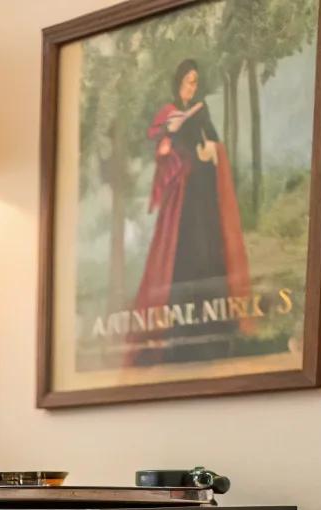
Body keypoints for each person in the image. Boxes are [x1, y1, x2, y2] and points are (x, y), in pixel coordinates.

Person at [128, 58, 250, 365]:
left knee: (209, 254)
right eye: (188, 81)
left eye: (196, 81)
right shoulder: (168, 112)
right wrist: (168, 147)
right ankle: (179, 340)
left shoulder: (201, 110)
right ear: (178, 81)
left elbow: (215, 144)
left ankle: (215, 332)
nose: (192, 86)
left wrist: (212, 152)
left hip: (204, 195)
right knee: (182, 258)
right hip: (181, 200)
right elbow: (159, 144)